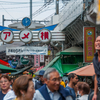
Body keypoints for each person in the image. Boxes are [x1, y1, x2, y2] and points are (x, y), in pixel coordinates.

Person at [92, 36, 100, 100]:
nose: (98, 43)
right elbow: (96, 76)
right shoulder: (95, 59)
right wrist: (95, 93)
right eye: (97, 41)